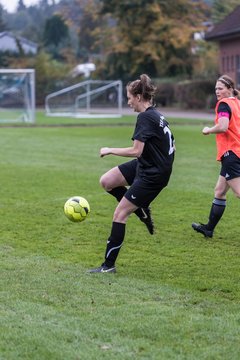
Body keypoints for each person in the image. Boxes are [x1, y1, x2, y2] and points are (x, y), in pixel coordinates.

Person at [88, 74, 175, 273]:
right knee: (107, 181)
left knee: (120, 213)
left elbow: (137, 150)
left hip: (153, 174)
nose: (127, 102)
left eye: (128, 97)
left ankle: (108, 266)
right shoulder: (155, 114)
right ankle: (141, 209)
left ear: (138, 96)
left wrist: (110, 149)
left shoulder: (145, 117)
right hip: (147, 165)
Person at [192, 74, 240, 238]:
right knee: (219, 191)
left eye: (220, 88)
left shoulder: (224, 104)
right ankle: (209, 229)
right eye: (215, 89)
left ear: (230, 89)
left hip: (231, 153)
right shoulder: (237, 103)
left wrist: (208, 130)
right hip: (237, 151)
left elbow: (223, 126)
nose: (217, 92)